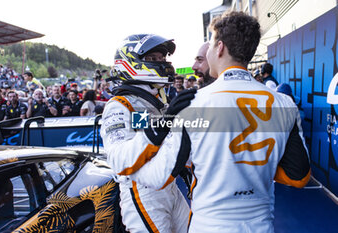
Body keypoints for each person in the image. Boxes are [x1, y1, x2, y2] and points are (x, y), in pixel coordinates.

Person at [125, 12, 311, 233]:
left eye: (210, 47)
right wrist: (256, 168)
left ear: (220, 48)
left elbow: (159, 177)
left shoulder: (193, 105)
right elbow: (298, 177)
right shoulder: (284, 103)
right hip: (261, 226)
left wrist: (125, 167)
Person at [100, 34, 192, 233]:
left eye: (161, 58)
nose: (161, 63)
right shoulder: (120, 105)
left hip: (169, 187)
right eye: (152, 59)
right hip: (141, 192)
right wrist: (159, 128)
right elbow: (119, 159)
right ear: (130, 63)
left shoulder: (155, 101)